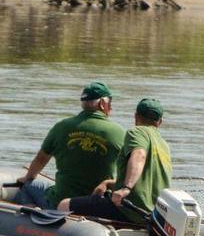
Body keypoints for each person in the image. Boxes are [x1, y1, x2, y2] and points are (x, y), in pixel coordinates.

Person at [58, 97, 172, 223]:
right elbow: (147, 180)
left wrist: (126, 188)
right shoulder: (164, 145)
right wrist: (109, 183)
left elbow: (139, 155)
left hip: (128, 209)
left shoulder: (137, 132)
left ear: (136, 117)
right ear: (160, 121)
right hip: (152, 215)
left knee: (64, 204)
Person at [16, 81, 125, 209]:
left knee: (26, 187)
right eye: (110, 103)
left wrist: (27, 178)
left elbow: (41, 159)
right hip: (95, 205)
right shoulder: (119, 132)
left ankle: (34, 220)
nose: (111, 107)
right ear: (102, 104)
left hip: (59, 201)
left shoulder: (61, 127)